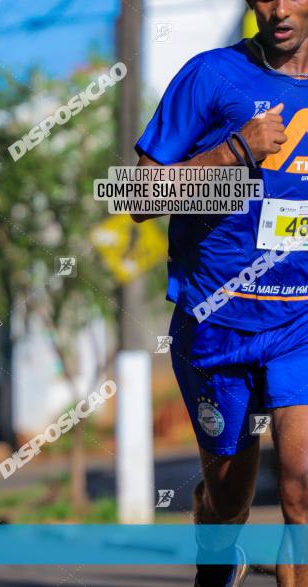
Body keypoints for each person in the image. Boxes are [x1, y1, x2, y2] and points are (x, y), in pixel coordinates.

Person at [131, 2, 308, 585]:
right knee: (230, 498)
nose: (278, 10)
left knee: (300, 487)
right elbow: (137, 196)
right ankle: (217, 551)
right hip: (216, 316)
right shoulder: (211, 75)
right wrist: (234, 152)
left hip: (301, 320)